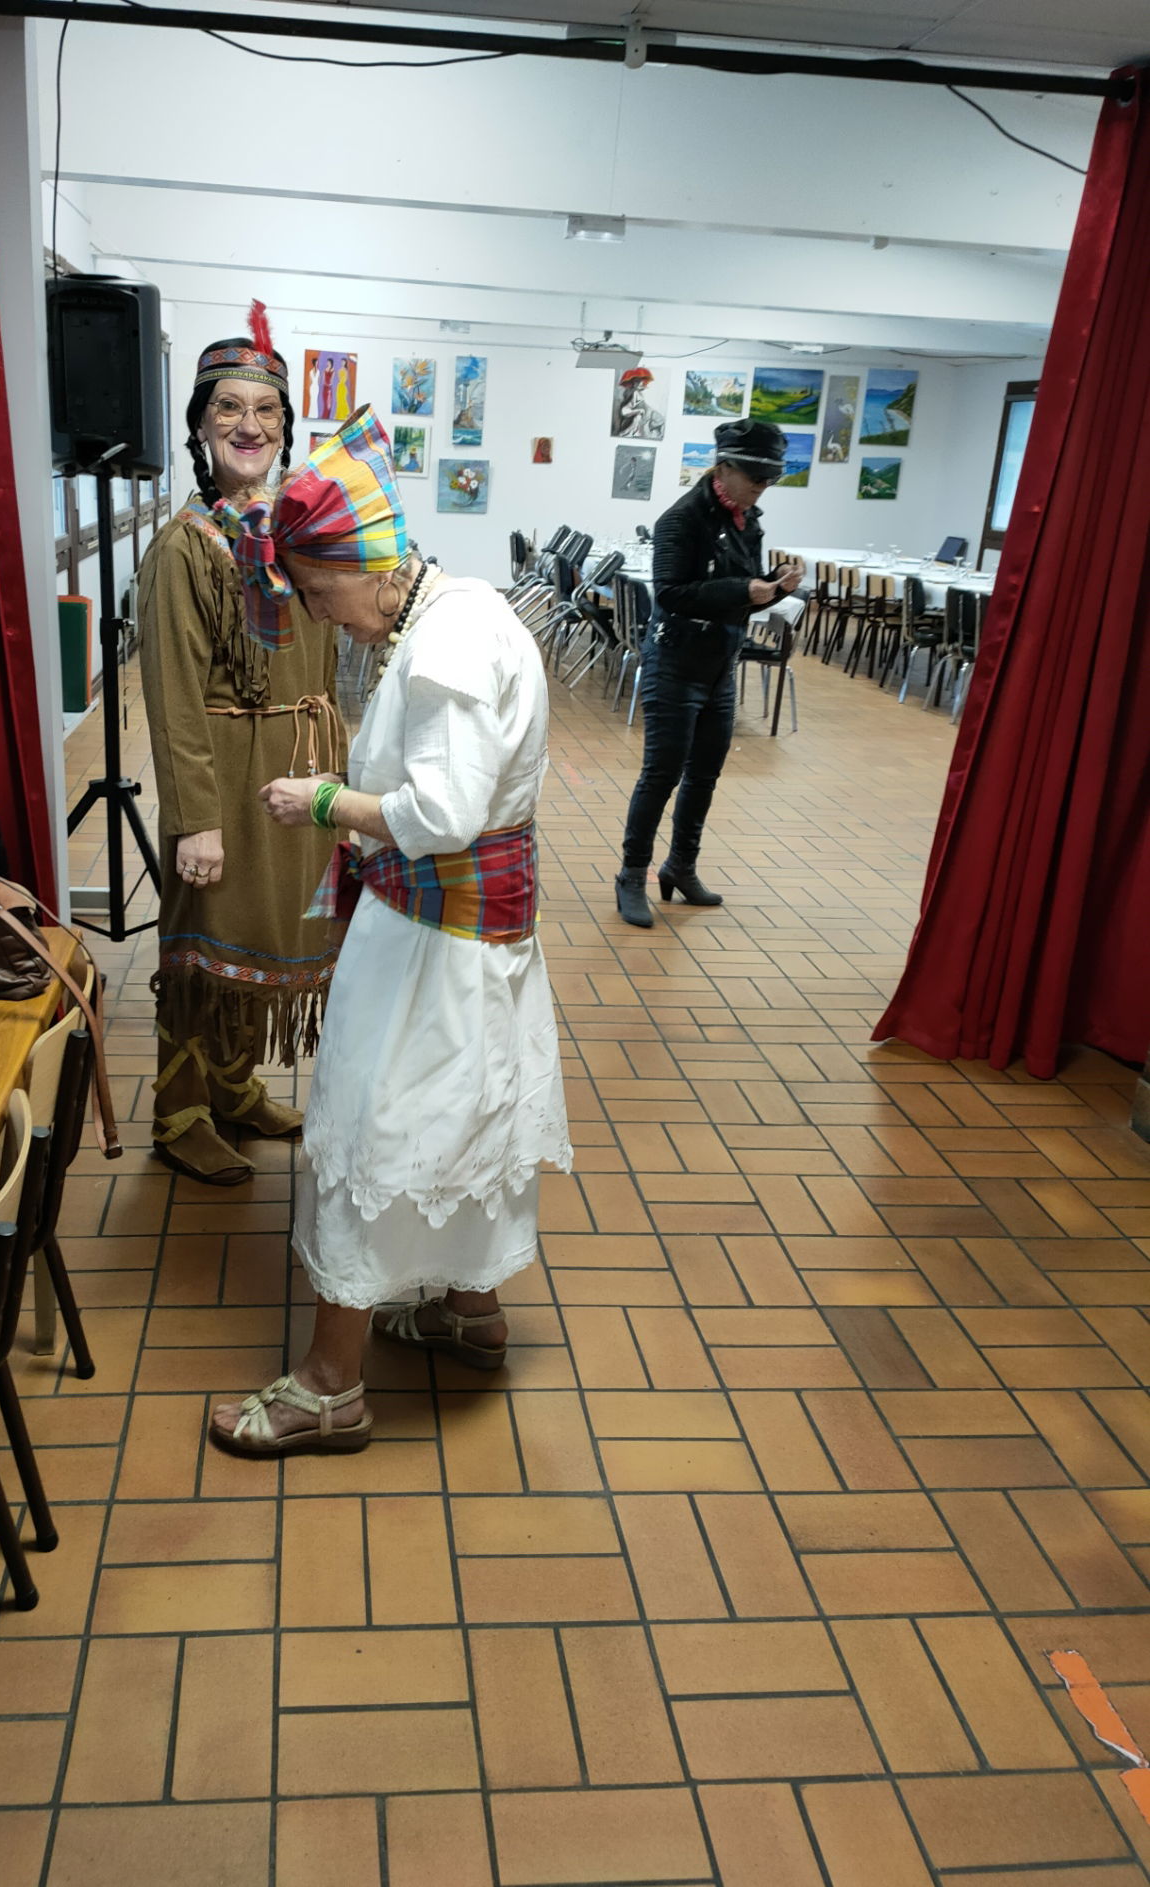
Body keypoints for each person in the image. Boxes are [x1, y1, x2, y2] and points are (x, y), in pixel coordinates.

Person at [206, 406, 571, 1454]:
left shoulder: (447, 642)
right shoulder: (460, 612)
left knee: (377, 1126)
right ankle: (469, 1311)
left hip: (433, 940)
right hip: (474, 935)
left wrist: (323, 802)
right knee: (465, 1113)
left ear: (369, 566)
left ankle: (331, 1384)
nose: (321, 616)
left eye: (319, 593)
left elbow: (439, 813)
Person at [137, 303, 341, 1186]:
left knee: (266, 943)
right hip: (224, 777)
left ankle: (233, 1082)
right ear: (198, 427)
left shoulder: (298, 537)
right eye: (227, 409)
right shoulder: (186, 547)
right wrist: (195, 822)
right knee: (205, 950)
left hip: (300, 772)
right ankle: (179, 1110)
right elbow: (173, 696)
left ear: (286, 428)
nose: (248, 426)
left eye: (265, 410)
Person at [615, 418, 805, 928]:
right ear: (723, 469)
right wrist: (746, 592)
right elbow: (672, 594)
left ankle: (680, 866)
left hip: (720, 662)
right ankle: (632, 875)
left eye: (769, 479)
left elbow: (743, 587)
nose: (762, 488)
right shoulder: (680, 520)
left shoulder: (749, 518)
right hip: (675, 660)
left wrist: (777, 585)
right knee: (661, 773)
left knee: (705, 773)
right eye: (755, 478)